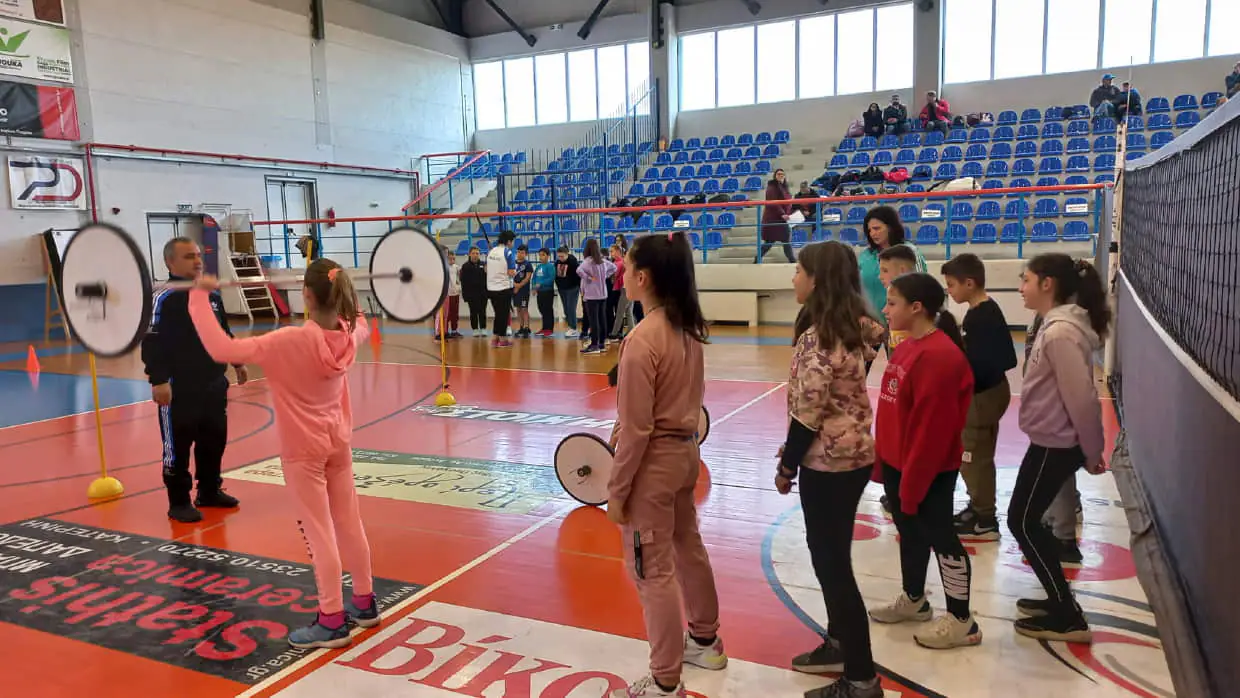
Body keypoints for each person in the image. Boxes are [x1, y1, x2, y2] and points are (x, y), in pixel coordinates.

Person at [186, 259, 378, 649]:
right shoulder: (348, 334)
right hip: (337, 444)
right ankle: (364, 602)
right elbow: (360, 320)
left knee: (320, 532)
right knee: (348, 523)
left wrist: (198, 297)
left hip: (303, 452)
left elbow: (222, 348)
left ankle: (331, 620)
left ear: (306, 295)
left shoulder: (288, 340)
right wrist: (350, 294)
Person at [607, 231, 725, 697]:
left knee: (651, 571)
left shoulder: (642, 339)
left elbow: (636, 431)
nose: (621, 274)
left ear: (643, 277)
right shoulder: (687, 329)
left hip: (654, 466)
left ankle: (665, 681)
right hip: (685, 454)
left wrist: (617, 492)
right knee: (687, 546)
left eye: (626, 267)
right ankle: (706, 641)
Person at [781, 241, 885, 698]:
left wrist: (787, 464)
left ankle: (861, 678)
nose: (793, 278)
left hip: (829, 462)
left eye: (799, 271)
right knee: (830, 556)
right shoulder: (855, 324)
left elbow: (809, 411)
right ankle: (840, 643)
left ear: (817, 279)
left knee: (833, 564)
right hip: (852, 454)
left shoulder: (821, 335)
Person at [870, 273, 981, 650]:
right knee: (911, 532)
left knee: (941, 536)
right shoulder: (906, 347)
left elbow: (931, 432)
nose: (885, 310)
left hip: (927, 470)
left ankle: (962, 620)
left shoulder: (940, 357)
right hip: (899, 464)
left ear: (917, 307)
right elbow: (891, 411)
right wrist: (883, 462)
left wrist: (913, 483)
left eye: (892, 303)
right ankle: (915, 599)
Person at [1009, 254, 1110, 643]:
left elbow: (1082, 399)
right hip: (1048, 440)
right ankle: (1059, 599)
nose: (1021, 288)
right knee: (1025, 520)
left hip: (1056, 444)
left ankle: (1068, 615)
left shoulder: (1061, 333)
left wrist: (1092, 450)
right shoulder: (1053, 326)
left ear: (1047, 284)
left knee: (1022, 522)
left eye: (1026, 280)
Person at [141, 237, 245, 524]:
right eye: (189, 256)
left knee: (214, 439)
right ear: (170, 262)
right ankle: (179, 501)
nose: (197, 261)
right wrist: (159, 380)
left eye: (198, 255)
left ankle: (209, 491)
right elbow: (151, 342)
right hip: (179, 388)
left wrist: (236, 359)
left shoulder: (210, 295)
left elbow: (223, 332)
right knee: (178, 445)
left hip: (213, 384)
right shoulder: (164, 298)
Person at [942, 254, 1017, 540]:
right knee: (980, 453)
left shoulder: (979, 317)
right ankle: (978, 507)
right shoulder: (987, 309)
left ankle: (985, 519)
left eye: (952, 284)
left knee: (973, 457)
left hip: (983, 396)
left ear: (969, 283)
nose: (949, 290)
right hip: (992, 391)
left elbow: (991, 361)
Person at [576, 238, 616, 355]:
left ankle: (594, 344)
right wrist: (605, 276)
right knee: (602, 318)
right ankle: (601, 343)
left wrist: (588, 278)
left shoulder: (588, 261)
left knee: (594, 320)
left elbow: (578, 270)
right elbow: (614, 268)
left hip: (592, 295)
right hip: (603, 294)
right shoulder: (602, 261)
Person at [486, 230, 517, 348]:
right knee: (503, 315)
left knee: (498, 314)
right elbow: (511, 272)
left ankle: (495, 339)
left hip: (491, 288)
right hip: (503, 288)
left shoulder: (491, 251)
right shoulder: (508, 252)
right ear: (509, 241)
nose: (513, 243)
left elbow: (486, 269)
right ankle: (503, 339)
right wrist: (514, 272)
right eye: (513, 241)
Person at [758, 168, 795, 263]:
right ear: (775, 176)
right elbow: (773, 202)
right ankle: (792, 260)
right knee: (771, 241)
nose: (781, 175)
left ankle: (792, 260)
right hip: (773, 219)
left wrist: (788, 213)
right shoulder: (772, 187)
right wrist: (782, 214)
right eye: (778, 174)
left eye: (782, 174)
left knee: (784, 240)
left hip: (781, 219)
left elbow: (788, 203)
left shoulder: (785, 187)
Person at [459, 246, 488, 337]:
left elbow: (488, 279)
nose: (475, 255)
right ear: (469, 254)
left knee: (482, 311)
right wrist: (465, 296)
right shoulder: (465, 266)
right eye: (473, 253)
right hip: (471, 294)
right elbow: (463, 282)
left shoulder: (484, 265)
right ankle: (475, 329)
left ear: (479, 254)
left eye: (477, 253)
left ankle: (483, 328)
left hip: (483, 293)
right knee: (473, 312)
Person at [434, 248, 461, 340]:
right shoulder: (439, 265)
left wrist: (458, 287)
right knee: (440, 313)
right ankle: (438, 333)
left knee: (446, 313)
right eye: (445, 253)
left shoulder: (454, 267)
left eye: (447, 253)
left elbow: (457, 278)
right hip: (441, 292)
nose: (446, 255)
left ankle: (445, 331)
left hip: (449, 293)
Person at [555, 245, 582, 338]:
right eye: (559, 256)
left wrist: (578, 286)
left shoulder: (573, 262)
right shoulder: (557, 262)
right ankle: (571, 327)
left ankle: (573, 328)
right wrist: (559, 286)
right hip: (562, 289)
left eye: (562, 256)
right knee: (566, 309)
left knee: (571, 308)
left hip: (572, 288)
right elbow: (557, 275)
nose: (560, 258)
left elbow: (578, 276)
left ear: (567, 254)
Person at [609, 243, 635, 340]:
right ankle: (631, 330)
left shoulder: (622, 264)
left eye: (612, 251)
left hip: (625, 290)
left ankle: (614, 333)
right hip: (629, 289)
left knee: (620, 312)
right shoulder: (629, 264)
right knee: (629, 312)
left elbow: (614, 277)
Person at [533, 247, 557, 337]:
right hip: (540, 292)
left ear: (548, 256)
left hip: (547, 291)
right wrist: (534, 287)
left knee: (548, 310)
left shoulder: (550, 266)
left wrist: (541, 284)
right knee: (541, 309)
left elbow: (551, 278)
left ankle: (549, 329)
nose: (540, 257)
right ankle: (544, 328)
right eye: (539, 255)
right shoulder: (538, 267)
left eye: (543, 255)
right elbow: (534, 278)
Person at [512, 244, 534, 339]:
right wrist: (514, 285)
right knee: (518, 309)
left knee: (524, 309)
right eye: (518, 252)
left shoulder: (527, 264)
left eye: (522, 252)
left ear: (526, 254)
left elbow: (527, 278)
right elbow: (509, 276)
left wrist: (519, 286)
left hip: (524, 291)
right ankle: (521, 327)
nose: (520, 254)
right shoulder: (513, 263)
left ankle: (526, 328)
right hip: (514, 290)